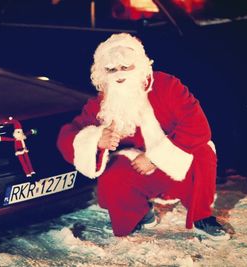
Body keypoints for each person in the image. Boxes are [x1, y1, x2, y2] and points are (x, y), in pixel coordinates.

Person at [56, 33, 230, 240]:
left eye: (125, 67)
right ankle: (138, 214)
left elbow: (198, 127)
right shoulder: (101, 103)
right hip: (138, 169)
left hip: (178, 163)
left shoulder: (167, 85)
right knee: (113, 171)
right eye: (111, 70)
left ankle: (202, 217)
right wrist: (96, 139)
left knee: (203, 150)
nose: (119, 75)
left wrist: (154, 157)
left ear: (139, 66)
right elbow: (68, 136)